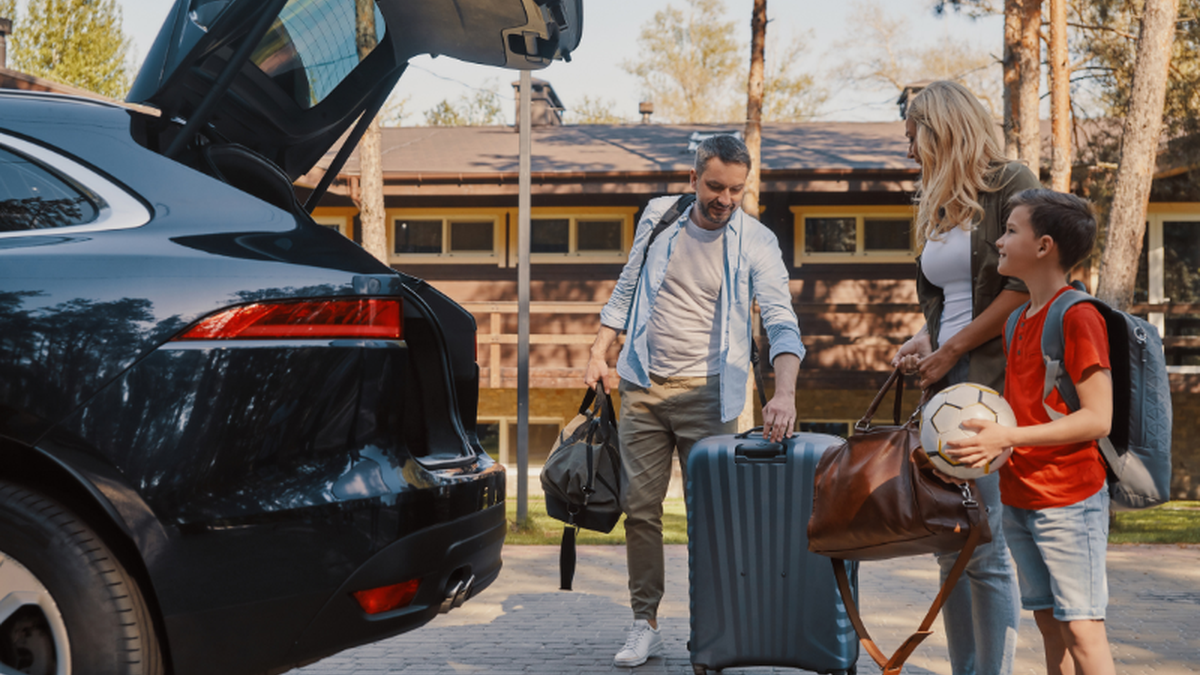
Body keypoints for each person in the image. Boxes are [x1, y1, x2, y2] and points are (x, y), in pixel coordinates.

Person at [584, 134, 803, 668]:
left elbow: (781, 319)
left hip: (709, 394)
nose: (725, 199)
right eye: (715, 186)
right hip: (641, 384)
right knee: (640, 509)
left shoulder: (757, 241)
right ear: (693, 179)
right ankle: (645, 623)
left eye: (736, 190)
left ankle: (711, 627)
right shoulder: (659, 216)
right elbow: (627, 286)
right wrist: (598, 350)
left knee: (712, 518)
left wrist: (785, 392)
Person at [890, 80, 1040, 675]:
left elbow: (1022, 286)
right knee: (950, 543)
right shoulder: (935, 198)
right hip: (943, 382)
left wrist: (951, 345)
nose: (908, 150)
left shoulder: (1011, 182)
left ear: (942, 130)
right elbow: (952, 297)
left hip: (990, 384)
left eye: (913, 137)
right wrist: (924, 340)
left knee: (984, 543)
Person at [945, 189, 1115, 675]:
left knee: (1082, 629)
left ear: (1043, 246)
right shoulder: (1018, 318)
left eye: (1010, 230)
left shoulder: (1078, 315)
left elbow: (1097, 417)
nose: (999, 241)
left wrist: (1008, 438)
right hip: (1020, 495)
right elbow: (1022, 409)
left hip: (1069, 499)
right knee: (1048, 623)